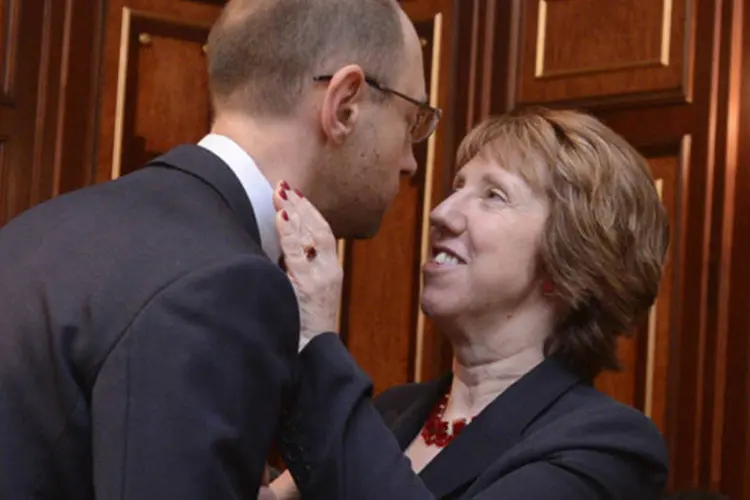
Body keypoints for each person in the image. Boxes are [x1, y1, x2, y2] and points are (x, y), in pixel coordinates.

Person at [0, 0, 438, 498]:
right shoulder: (224, 282)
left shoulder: (49, 223)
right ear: (345, 105)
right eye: (413, 119)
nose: (409, 161)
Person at [269, 107, 670, 499]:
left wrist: (319, 338)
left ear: (569, 259)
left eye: (494, 195)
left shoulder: (608, 447)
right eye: (458, 187)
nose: (441, 212)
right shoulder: (390, 412)